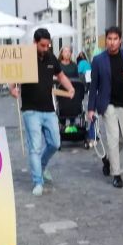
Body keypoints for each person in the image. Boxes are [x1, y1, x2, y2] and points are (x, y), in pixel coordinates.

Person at [9, 28, 74, 196]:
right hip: (30, 110)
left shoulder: (52, 57)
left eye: (48, 45)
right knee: (35, 147)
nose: (46, 48)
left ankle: (42, 165)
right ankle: (38, 181)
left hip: (48, 109)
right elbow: (13, 74)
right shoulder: (26, 57)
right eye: (43, 45)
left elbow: (60, 76)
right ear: (35, 43)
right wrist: (12, 88)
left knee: (55, 143)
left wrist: (70, 87)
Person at [87, 26, 123, 189]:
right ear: (106, 41)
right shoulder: (98, 60)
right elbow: (93, 86)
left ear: (120, 40)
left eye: (115, 39)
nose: (112, 42)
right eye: (109, 39)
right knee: (112, 137)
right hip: (107, 103)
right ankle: (116, 174)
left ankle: (109, 160)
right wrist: (91, 109)